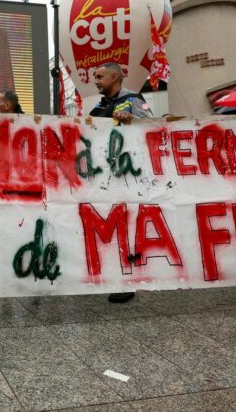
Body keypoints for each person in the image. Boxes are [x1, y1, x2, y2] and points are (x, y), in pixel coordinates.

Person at [89, 62, 153, 303]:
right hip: (105, 177)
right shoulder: (98, 108)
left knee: (126, 227)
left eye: (99, 76)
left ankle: (128, 281)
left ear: (114, 77)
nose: (95, 80)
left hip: (128, 175)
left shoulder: (134, 100)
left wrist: (130, 120)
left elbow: (151, 126)